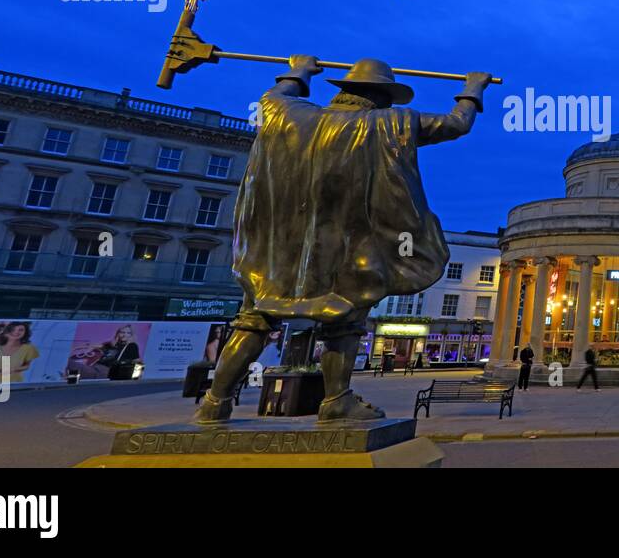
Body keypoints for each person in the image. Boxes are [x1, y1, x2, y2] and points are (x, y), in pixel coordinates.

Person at [194, 55, 490, 423]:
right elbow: (456, 125)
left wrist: (300, 70)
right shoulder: (390, 122)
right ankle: (336, 399)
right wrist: (472, 88)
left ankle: (214, 402)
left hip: (280, 248)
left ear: (346, 91)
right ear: (381, 96)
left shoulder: (287, 114)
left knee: (253, 320)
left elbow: (274, 94)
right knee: (345, 321)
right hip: (345, 244)